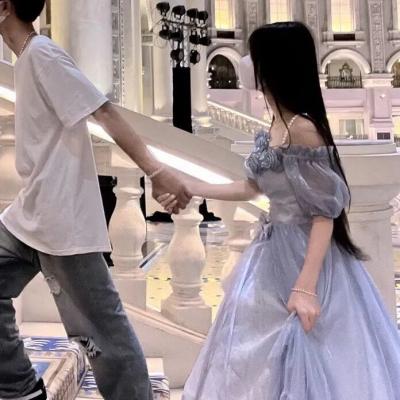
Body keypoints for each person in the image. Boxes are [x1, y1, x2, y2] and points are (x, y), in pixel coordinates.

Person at [159, 22, 400, 399]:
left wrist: (305, 286)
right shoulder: (277, 123)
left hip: (302, 257)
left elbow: (324, 214)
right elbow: (253, 187)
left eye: (256, 58)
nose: (248, 65)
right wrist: (192, 187)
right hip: (271, 252)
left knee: (307, 351)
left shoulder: (303, 129)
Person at [0, 1, 191, 399]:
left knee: (105, 336)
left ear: (4, 8)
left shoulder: (43, 54)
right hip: (29, 214)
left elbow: (104, 112)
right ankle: (19, 387)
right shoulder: (27, 58)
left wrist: (157, 172)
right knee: (104, 333)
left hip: (62, 219)